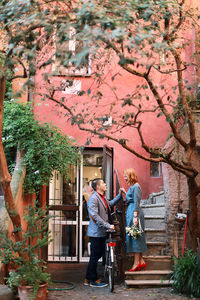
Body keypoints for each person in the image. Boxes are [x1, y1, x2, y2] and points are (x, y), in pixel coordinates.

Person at [84, 178, 125, 287]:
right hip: (96, 233)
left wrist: (119, 196)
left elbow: (110, 204)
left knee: (97, 255)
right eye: (102, 183)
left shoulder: (102, 197)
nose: (105, 184)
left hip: (102, 232)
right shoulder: (94, 198)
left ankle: (89, 278)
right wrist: (108, 225)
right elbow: (95, 216)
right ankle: (92, 280)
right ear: (97, 187)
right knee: (95, 256)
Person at [124, 168, 147, 271]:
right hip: (132, 212)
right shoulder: (132, 187)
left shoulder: (136, 186)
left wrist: (135, 216)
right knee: (134, 235)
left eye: (125, 176)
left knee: (136, 237)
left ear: (130, 176)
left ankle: (136, 263)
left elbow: (136, 202)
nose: (124, 178)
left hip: (134, 213)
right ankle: (141, 261)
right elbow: (131, 198)